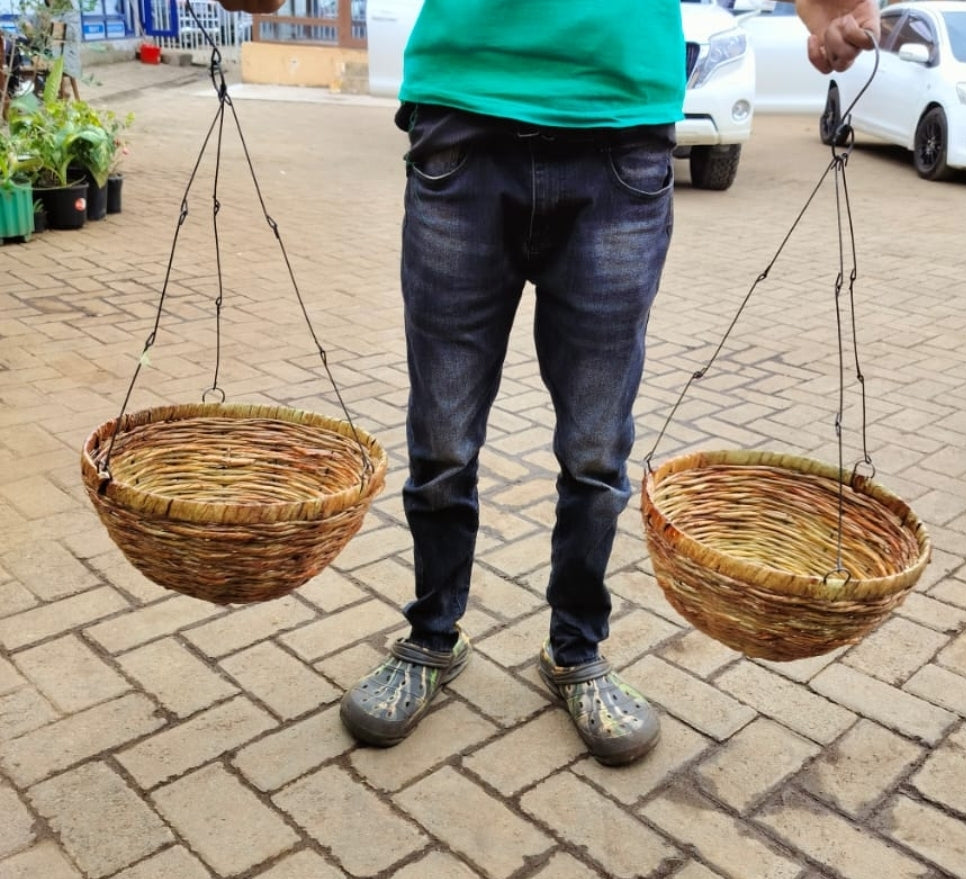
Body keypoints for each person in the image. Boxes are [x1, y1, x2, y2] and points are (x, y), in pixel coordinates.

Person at [237, 0, 880, 766]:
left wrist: (833, 10)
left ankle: (576, 649)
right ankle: (431, 636)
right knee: (441, 438)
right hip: (463, 128)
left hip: (618, 140)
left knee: (595, 447)